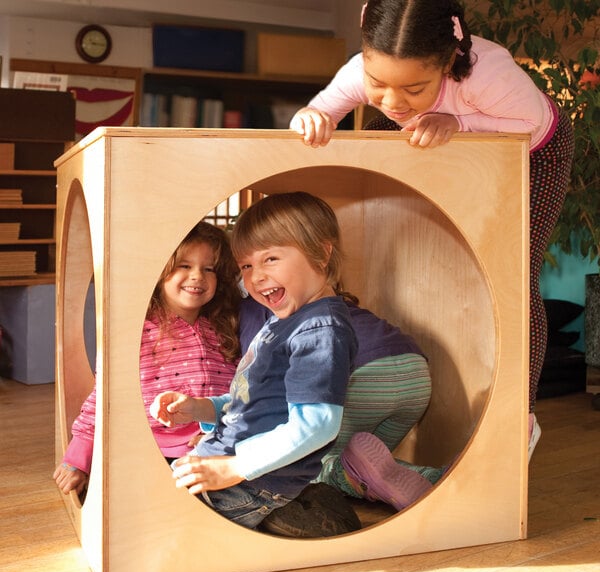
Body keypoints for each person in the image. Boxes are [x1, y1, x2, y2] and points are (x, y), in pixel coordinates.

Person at [290, 0, 574, 459]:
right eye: (378, 84)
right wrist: (312, 117)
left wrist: (458, 121)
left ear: (446, 64)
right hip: (438, 132)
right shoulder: (361, 74)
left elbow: (532, 123)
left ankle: (519, 417)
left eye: (415, 87)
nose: (393, 100)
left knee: (514, 276)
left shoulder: (488, 73)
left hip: (531, 148)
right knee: (382, 131)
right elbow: (321, 110)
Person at [150, 192, 358, 531]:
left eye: (271, 259)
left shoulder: (320, 330)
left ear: (321, 253)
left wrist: (232, 468)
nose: (256, 276)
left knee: (163, 530)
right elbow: (255, 401)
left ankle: (300, 515)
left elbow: (318, 424)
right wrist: (202, 408)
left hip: (252, 482)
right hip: (227, 463)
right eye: (247, 266)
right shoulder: (283, 317)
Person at [53, 221, 242, 497]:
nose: (197, 276)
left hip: (213, 446)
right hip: (149, 450)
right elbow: (103, 396)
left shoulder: (223, 327)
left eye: (208, 268)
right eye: (184, 266)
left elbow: (236, 395)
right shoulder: (139, 331)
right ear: (160, 270)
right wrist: (77, 458)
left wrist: (218, 434)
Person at [240, 293, 443, 527]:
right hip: (415, 376)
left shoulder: (256, 306)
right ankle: (436, 478)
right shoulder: (325, 299)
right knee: (370, 467)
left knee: (305, 468)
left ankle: (348, 474)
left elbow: (256, 379)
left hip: (362, 378)